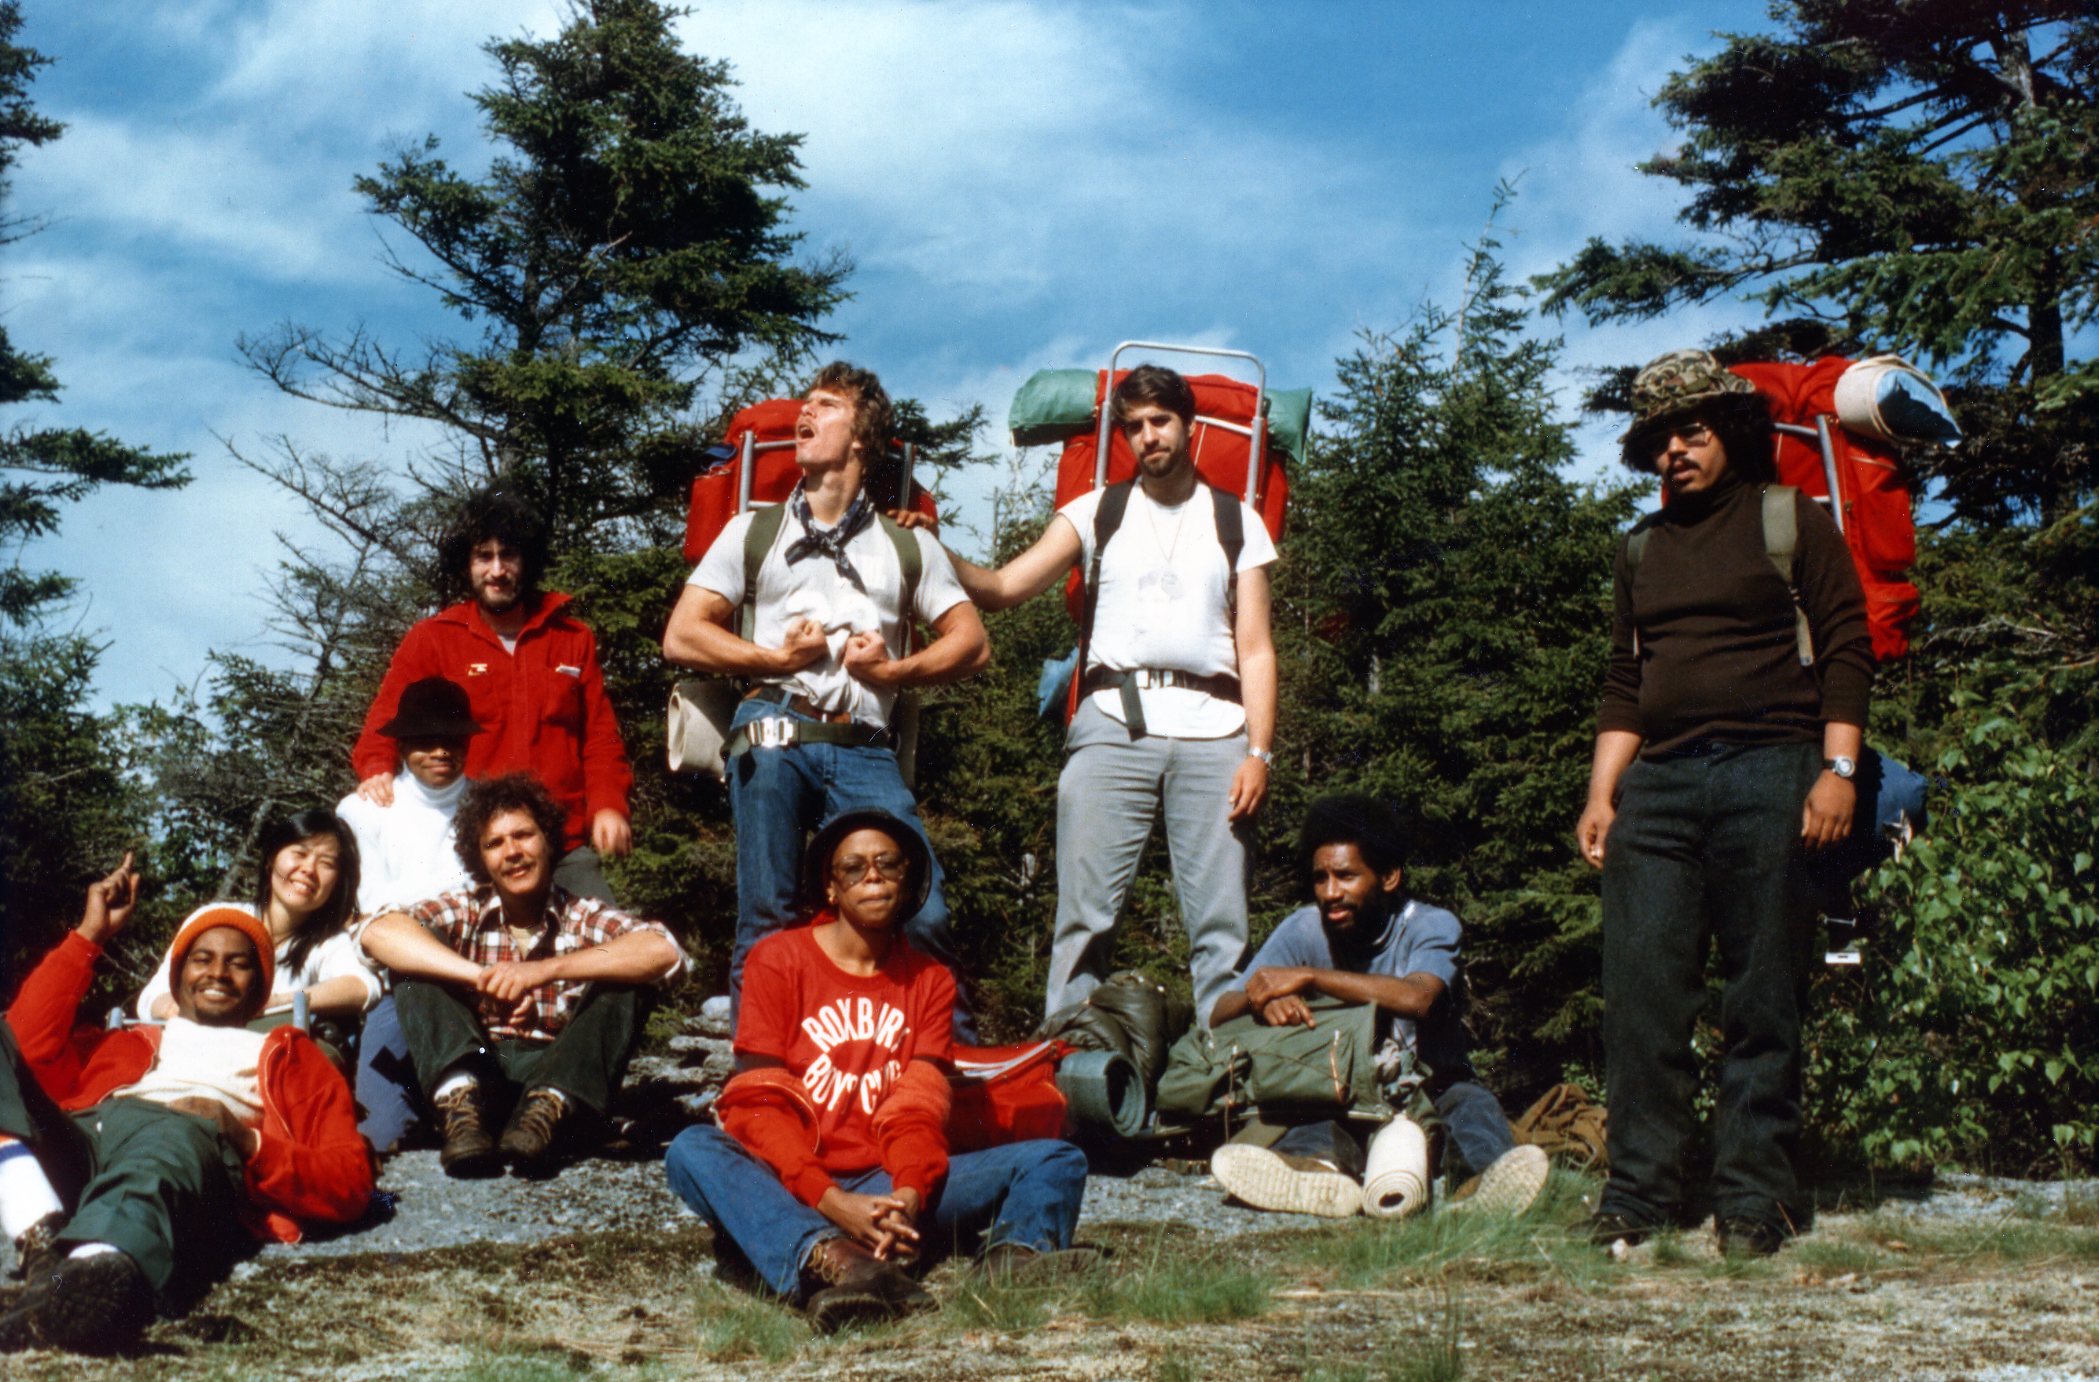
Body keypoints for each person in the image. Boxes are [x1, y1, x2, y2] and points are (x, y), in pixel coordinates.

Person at [1575, 350, 1873, 1257]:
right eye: (1659, 438)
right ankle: (1639, 1194)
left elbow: (1847, 647)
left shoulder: (1791, 522)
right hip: (1657, 789)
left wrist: (1839, 773)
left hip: (1771, 771)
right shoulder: (1640, 548)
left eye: (1692, 431)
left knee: (1761, 993)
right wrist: (1601, 794)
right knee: (1642, 993)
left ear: (1731, 434)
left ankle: (1754, 1200)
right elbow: (1627, 679)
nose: (1674, 450)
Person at [664, 810, 1092, 1333]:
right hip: (794, 1180)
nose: (873, 877)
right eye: (854, 867)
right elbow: (757, 1105)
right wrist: (831, 1200)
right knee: (692, 1150)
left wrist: (909, 1194)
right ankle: (843, 1263)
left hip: (887, 1178)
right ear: (830, 887)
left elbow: (916, 1107)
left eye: (888, 864)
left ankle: (1011, 1265)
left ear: (908, 880)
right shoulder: (776, 960)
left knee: (1055, 1158)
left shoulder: (930, 980)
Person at [943, 364, 1277, 1024]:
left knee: (1219, 927)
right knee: (1084, 917)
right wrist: (931, 545)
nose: (1147, 436)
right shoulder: (1096, 511)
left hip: (1217, 733)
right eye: (1133, 427)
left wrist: (1258, 754)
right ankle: (1069, 1059)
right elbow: (1005, 587)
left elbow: (1257, 648)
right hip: (1110, 723)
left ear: (1188, 426)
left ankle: (1222, 1072)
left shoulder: (1236, 522)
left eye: (1159, 421)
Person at [661, 362, 988, 1035]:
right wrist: (773, 658)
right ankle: (759, 1073)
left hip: (864, 743)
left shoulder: (904, 544)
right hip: (774, 721)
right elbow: (682, 635)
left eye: (824, 405)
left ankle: (948, 1064)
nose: (802, 415)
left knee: (920, 907)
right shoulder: (753, 531)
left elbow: (971, 643)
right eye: (803, 404)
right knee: (769, 910)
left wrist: (894, 673)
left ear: (860, 436)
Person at [0, 856, 372, 1354]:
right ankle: (47, 1254)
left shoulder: (289, 1055)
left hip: (185, 1150)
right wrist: (90, 935)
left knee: (167, 1136)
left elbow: (349, 1179)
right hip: (91, 1139)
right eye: (202, 959)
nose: (217, 972)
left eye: (239, 963)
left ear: (260, 989)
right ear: (177, 978)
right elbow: (21, 1043)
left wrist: (248, 1140)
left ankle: (83, 1286)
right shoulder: (130, 1042)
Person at [1204, 794, 1548, 1219]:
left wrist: (1311, 978)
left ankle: (1480, 1188)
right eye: (1320, 878)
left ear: (1388, 877)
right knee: (1312, 1119)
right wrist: (1265, 1000)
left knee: (1471, 1107)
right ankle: (1316, 1176)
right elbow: (1220, 1012)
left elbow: (1417, 998)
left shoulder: (1430, 925)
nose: (1331, 893)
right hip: (1343, 1093)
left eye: (1346, 877)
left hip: (1433, 1086)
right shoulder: (1302, 928)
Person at [357, 774, 686, 1177]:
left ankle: (547, 1107)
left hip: (558, 1079)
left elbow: (663, 949)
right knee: (415, 961)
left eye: (523, 836)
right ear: (481, 860)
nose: (512, 852)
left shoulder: (580, 914)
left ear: (547, 840)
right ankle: (459, 1105)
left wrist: (539, 972)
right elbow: (378, 932)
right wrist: (482, 977)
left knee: (626, 974)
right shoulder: (466, 906)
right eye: (495, 844)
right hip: (481, 1073)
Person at [350, 489, 633, 903]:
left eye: (509, 556)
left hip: (563, 843)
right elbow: (385, 720)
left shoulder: (573, 639)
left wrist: (609, 806)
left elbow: (601, 737)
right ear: (466, 564)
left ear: (528, 561)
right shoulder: (433, 639)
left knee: (614, 952)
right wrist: (376, 768)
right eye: (484, 556)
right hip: (473, 846)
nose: (496, 570)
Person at [337, 675, 483, 1155]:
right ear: (401, 746)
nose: (441, 752)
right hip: (398, 980)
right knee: (381, 1135)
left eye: (453, 739)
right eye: (425, 741)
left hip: (482, 972)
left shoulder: (488, 805)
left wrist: (410, 906)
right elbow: (375, 910)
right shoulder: (364, 810)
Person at [135, 809, 379, 1032]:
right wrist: (177, 1010)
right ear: (271, 859)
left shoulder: (326, 943)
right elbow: (151, 998)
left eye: (326, 863)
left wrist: (279, 1002)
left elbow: (363, 988)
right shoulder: (217, 918)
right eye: (299, 853)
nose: (308, 869)